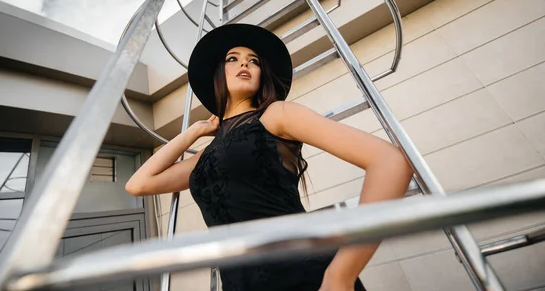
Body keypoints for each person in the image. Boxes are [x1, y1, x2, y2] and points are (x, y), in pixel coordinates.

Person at [126, 24, 413, 291]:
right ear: (218, 73)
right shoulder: (205, 157)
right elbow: (138, 184)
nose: (244, 64)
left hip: (305, 275)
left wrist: (341, 274)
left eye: (254, 61)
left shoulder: (277, 114)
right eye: (233, 58)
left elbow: (390, 160)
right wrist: (194, 132)